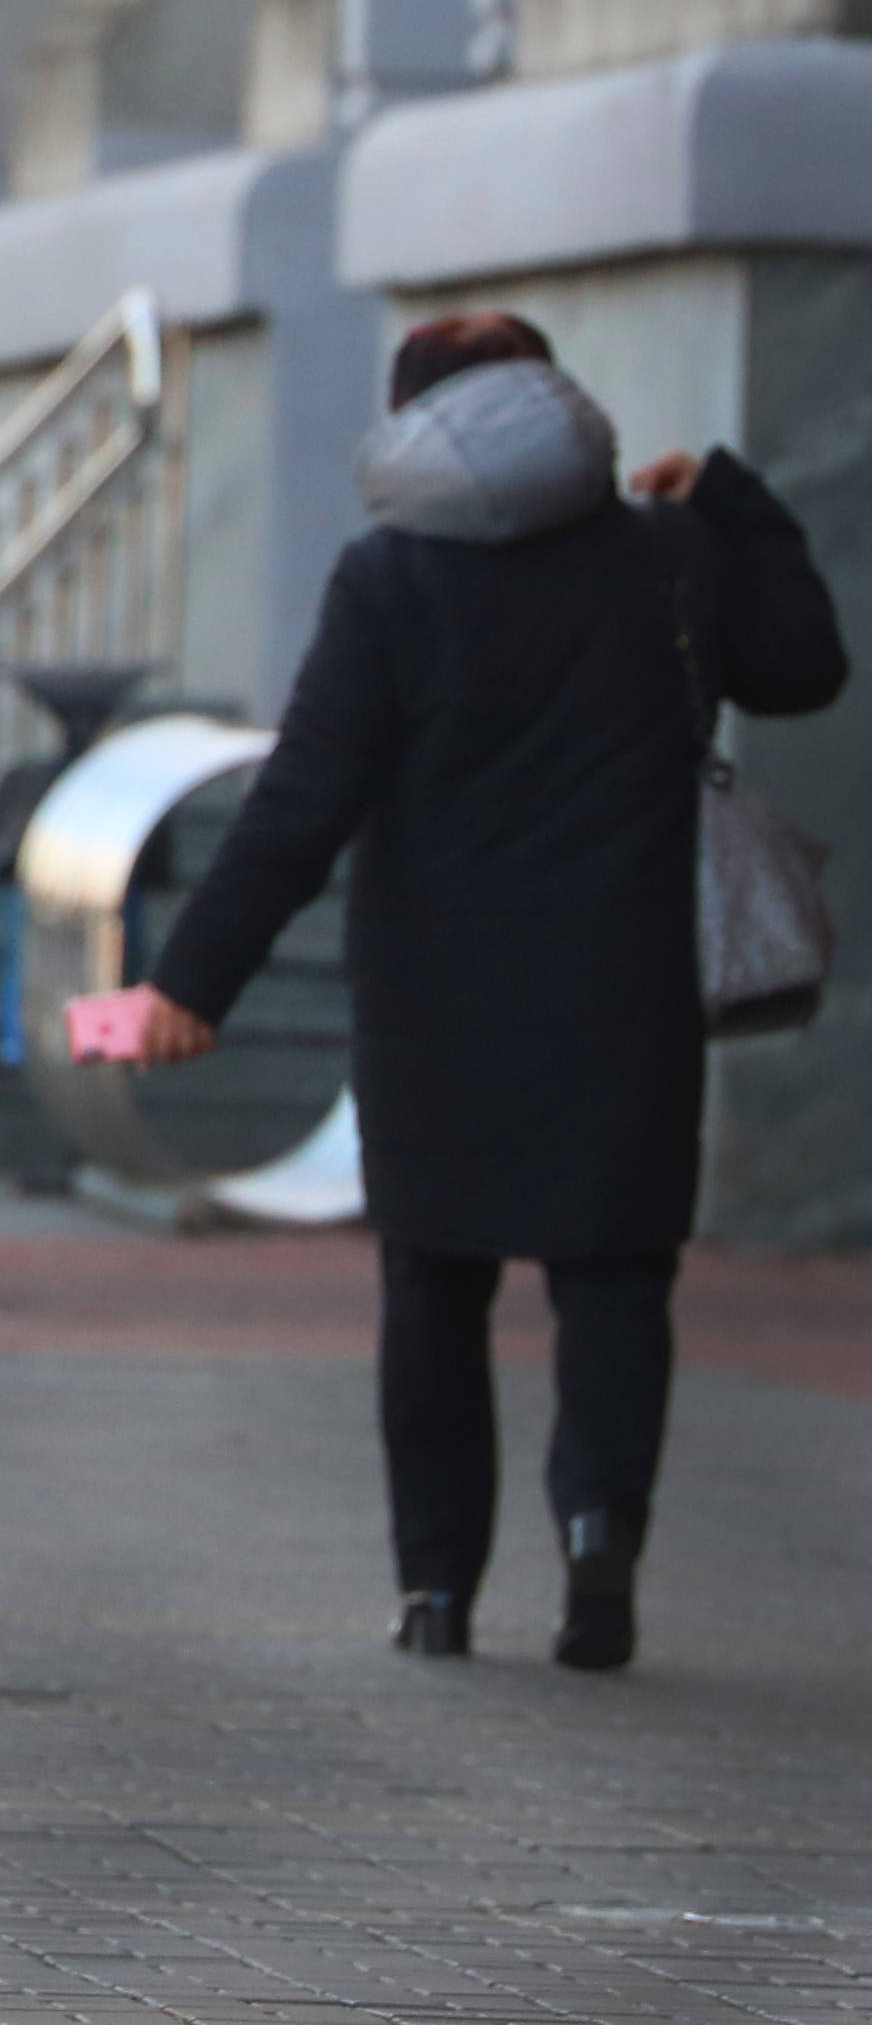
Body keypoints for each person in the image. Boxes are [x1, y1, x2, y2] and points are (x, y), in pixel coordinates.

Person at [95, 316, 845, 1670]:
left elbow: (299, 806)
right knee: (615, 1275)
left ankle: (437, 1592)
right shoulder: (665, 558)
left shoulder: (390, 580)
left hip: (436, 994)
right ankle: (598, 1537)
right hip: (627, 984)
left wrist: (189, 985)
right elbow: (805, 666)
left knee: (433, 1283)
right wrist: (728, 497)